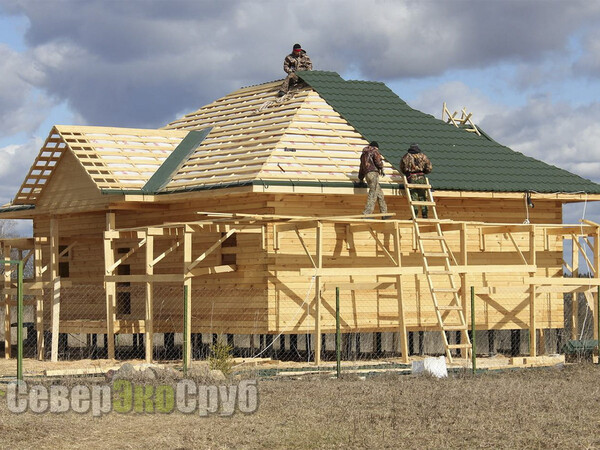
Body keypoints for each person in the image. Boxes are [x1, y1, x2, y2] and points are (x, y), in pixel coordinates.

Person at [400, 143, 433, 218]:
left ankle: (415, 215)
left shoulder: (406, 157)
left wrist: (407, 173)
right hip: (421, 177)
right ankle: (425, 215)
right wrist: (424, 172)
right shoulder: (423, 156)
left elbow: (402, 167)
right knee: (423, 197)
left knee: (413, 197)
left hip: (411, 178)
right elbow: (429, 167)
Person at [358, 141, 388, 218]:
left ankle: (384, 213)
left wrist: (361, 178)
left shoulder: (363, 155)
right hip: (373, 173)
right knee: (373, 193)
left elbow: (361, 167)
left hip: (367, 174)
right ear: (375, 147)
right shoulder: (374, 151)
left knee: (379, 193)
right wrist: (381, 167)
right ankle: (367, 213)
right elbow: (378, 161)